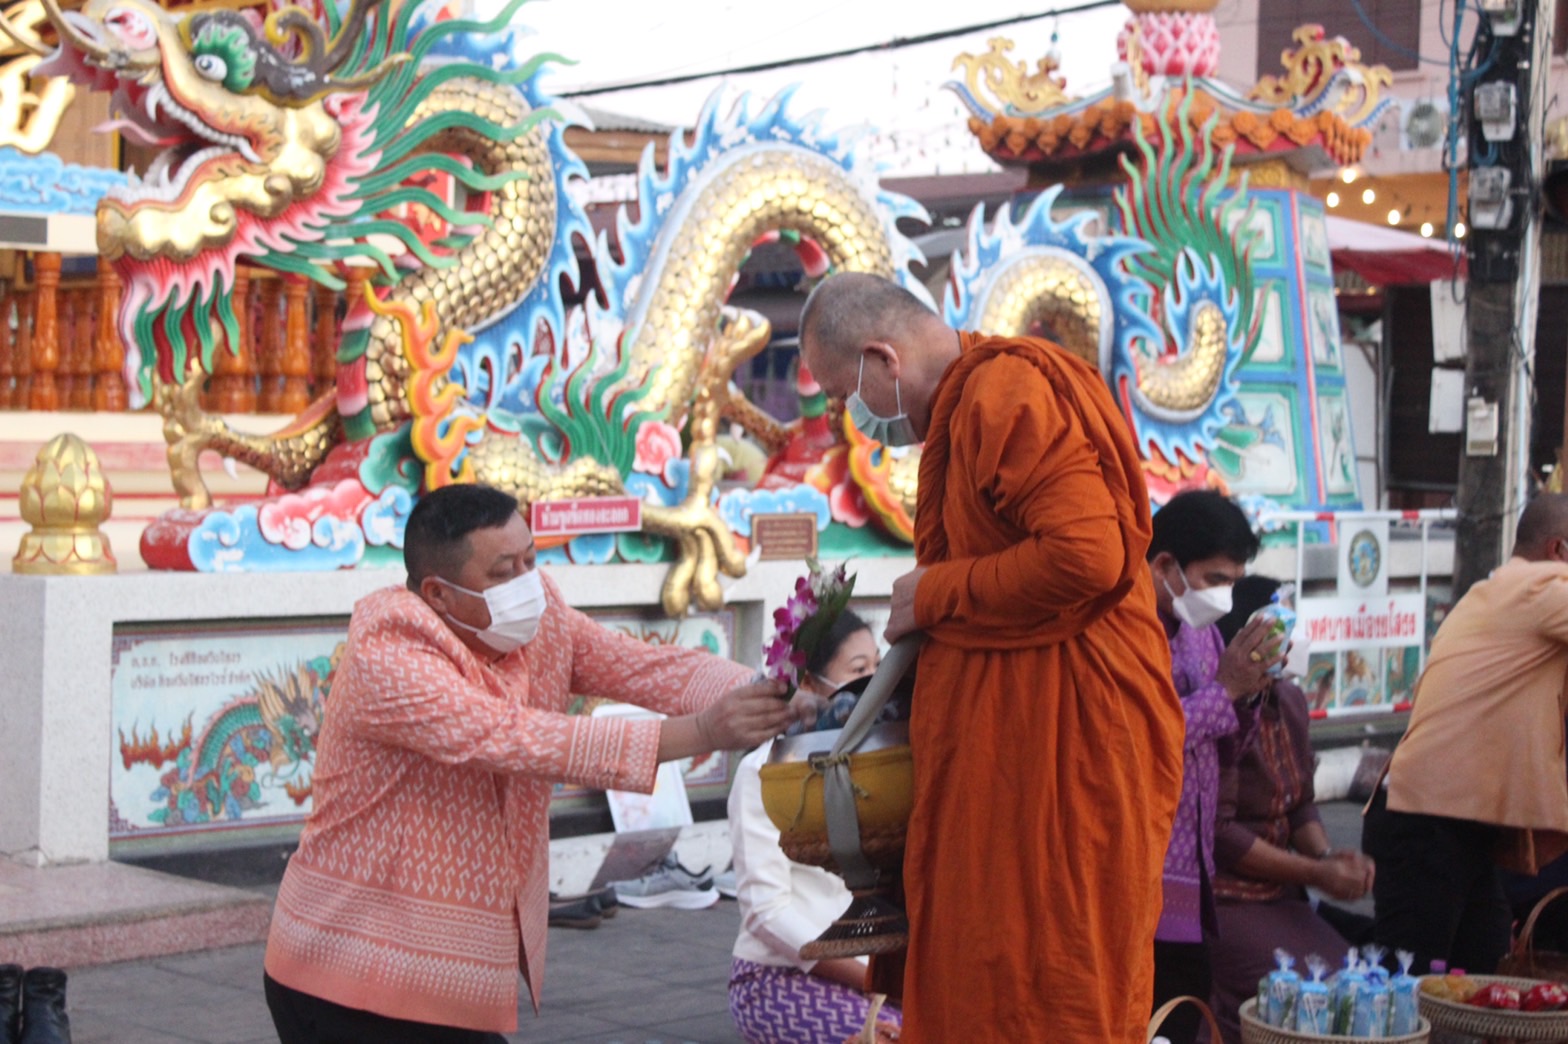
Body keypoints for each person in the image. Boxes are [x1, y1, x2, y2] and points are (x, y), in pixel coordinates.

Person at [262, 483, 814, 1043]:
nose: (526, 582)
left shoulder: (539, 618)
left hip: (446, 979)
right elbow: (514, 738)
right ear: (439, 593)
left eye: (531, 558)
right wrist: (702, 731)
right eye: (503, 572)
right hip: (346, 970)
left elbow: (644, 666)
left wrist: (768, 692)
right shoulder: (389, 648)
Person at [798, 272, 1186, 1042]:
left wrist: (935, 594)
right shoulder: (973, 402)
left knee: (1042, 980)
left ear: (885, 358)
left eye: (848, 392)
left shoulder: (1003, 392)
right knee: (984, 973)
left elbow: (1089, 556)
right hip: (1005, 759)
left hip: (1061, 760)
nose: (855, 415)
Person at [1363, 493, 1568, 975]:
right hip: (1428, 818)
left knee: (1477, 975)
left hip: (1455, 817)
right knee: (1403, 991)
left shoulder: (1493, 590)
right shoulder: (1538, 588)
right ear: (1559, 550)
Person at [1208, 576, 1376, 1044]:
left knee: (1354, 986)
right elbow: (1219, 834)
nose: (1295, 640)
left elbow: (1299, 802)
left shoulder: (1289, 700)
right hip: (1225, 898)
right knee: (1304, 998)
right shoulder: (1220, 706)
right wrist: (1315, 874)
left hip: (1283, 894)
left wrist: (1327, 859)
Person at [727, 609, 902, 1044]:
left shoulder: (885, 764)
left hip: (880, 971)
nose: (874, 684)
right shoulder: (763, 773)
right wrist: (871, 980)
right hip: (781, 977)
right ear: (808, 686)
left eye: (879, 667)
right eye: (859, 671)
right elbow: (768, 914)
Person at [1144, 489, 1281, 1044]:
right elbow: (1139, 741)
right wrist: (1226, 690)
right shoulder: (1126, 633)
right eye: (1215, 579)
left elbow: (1219, 743)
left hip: (1193, 869)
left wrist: (1247, 696)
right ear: (1166, 565)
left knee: (1183, 1011)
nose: (1225, 596)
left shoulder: (1199, 634)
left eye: (1234, 581)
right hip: (1143, 869)